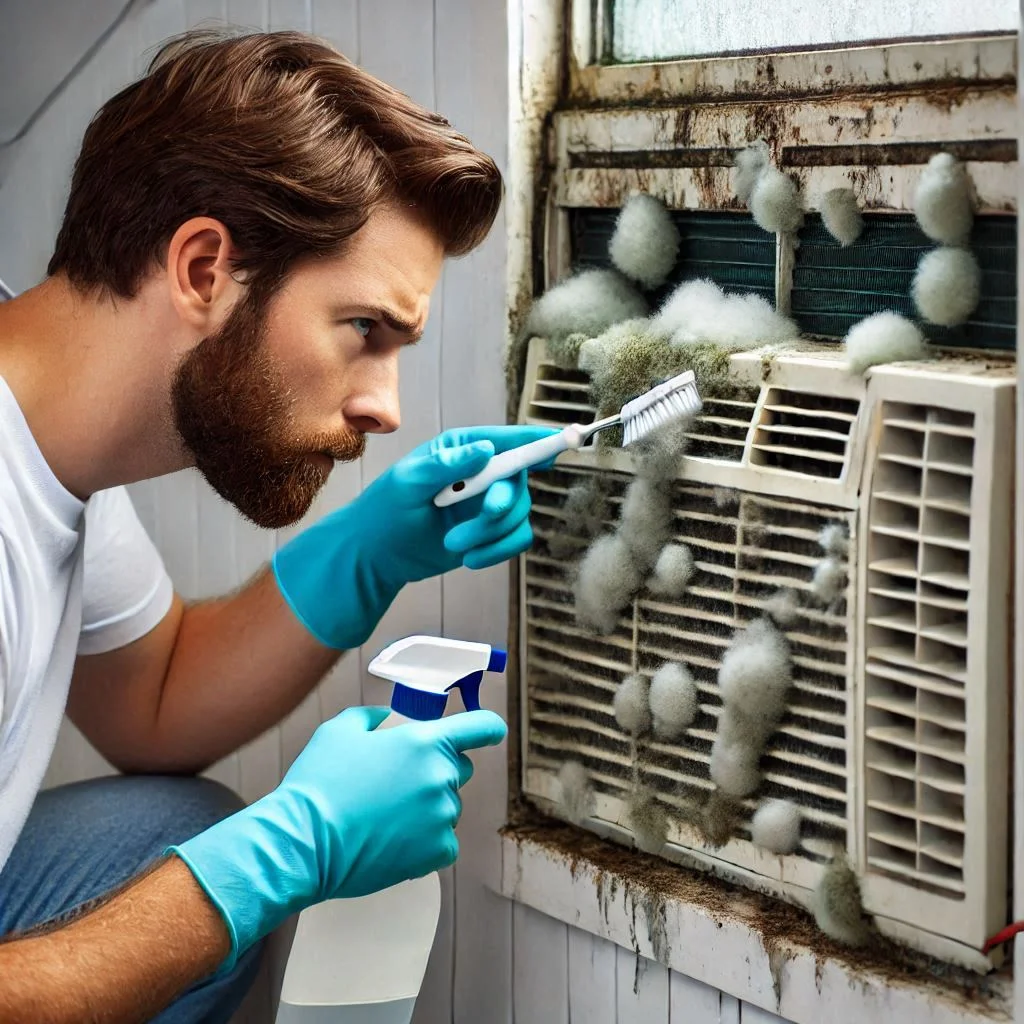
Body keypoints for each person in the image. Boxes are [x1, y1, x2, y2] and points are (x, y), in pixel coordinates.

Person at [0, 28, 553, 1023]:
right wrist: (288, 852)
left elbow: (152, 699)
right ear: (205, 268)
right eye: (363, 331)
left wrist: (365, 554)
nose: (385, 407)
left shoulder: (50, 427)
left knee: (168, 833)